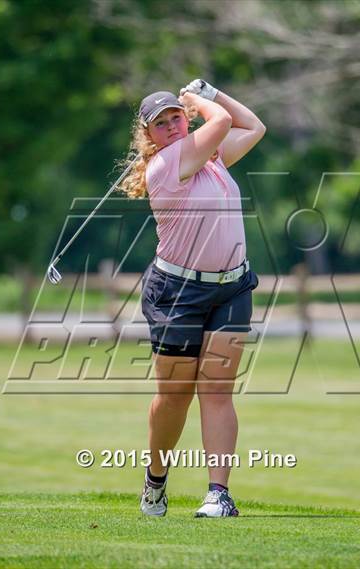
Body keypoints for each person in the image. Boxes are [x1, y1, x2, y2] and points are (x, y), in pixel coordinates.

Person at [120, 79, 266, 517]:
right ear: (150, 136)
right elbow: (221, 121)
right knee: (175, 395)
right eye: (160, 124)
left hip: (231, 287)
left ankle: (218, 494)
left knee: (218, 390)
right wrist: (199, 101)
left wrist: (213, 91)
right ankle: (155, 480)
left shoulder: (212, 157)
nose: (170, 126)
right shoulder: (167, 164)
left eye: (175, 117)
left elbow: (254, 127)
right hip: (177, 293)